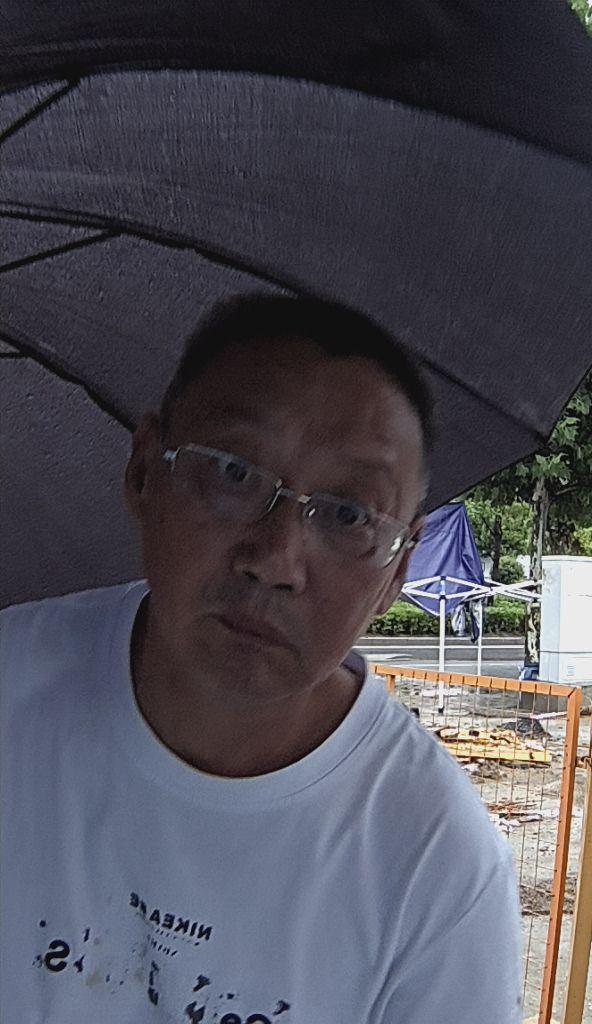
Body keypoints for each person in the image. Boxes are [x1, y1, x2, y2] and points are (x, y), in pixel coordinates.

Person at [0, 294, 522, 1022]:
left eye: (349, 515)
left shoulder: (435, 868)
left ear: (396, 574)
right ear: (145, 471)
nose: (276, 559)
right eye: (234, 473)